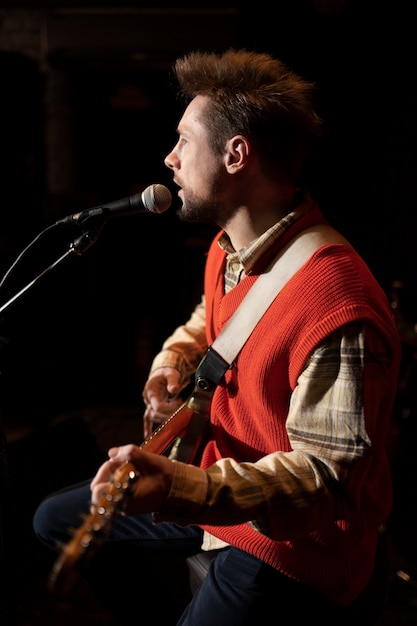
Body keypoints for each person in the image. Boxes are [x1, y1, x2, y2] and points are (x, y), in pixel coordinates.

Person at [33, 49, 401, 626]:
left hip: (292, 547)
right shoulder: (231, 248)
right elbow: (208, 320)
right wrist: (166, 368)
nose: (169, 158)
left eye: (183, 141)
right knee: (53, 521)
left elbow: (323, 481)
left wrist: (181, 487)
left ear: (235, 155)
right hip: (220, 488)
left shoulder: (337, 303)